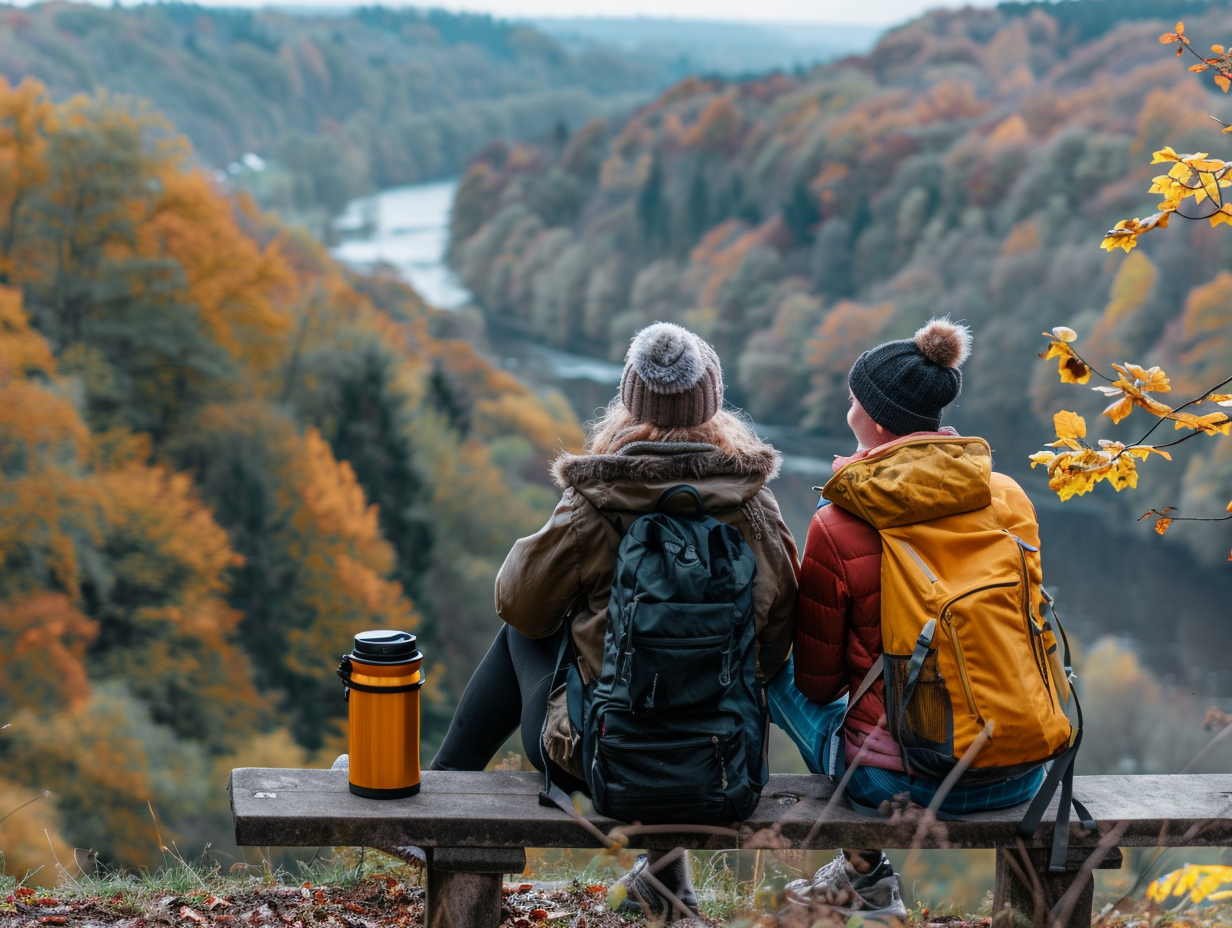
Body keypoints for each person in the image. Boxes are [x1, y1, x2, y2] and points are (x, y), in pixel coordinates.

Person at [431, 321, 800, 919]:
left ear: (630, 400)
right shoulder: (752, 502)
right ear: (711, 401)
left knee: (529, 629)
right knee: (700, 675)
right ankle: (664, 876)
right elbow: (777, 639)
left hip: (599, 759)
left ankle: (441, 788)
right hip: (722, 762)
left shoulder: (596, 498)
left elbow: (517, 602)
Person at [769, 318, 1047, 920]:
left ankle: (864, 875)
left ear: (873, 420)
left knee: (774, 675)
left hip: (900, 790)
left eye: (853, 397)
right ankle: (859, 878)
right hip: (1022, 771)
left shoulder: (839, 521)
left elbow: (818, 683)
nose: (847, 405)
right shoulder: (1007, 497)